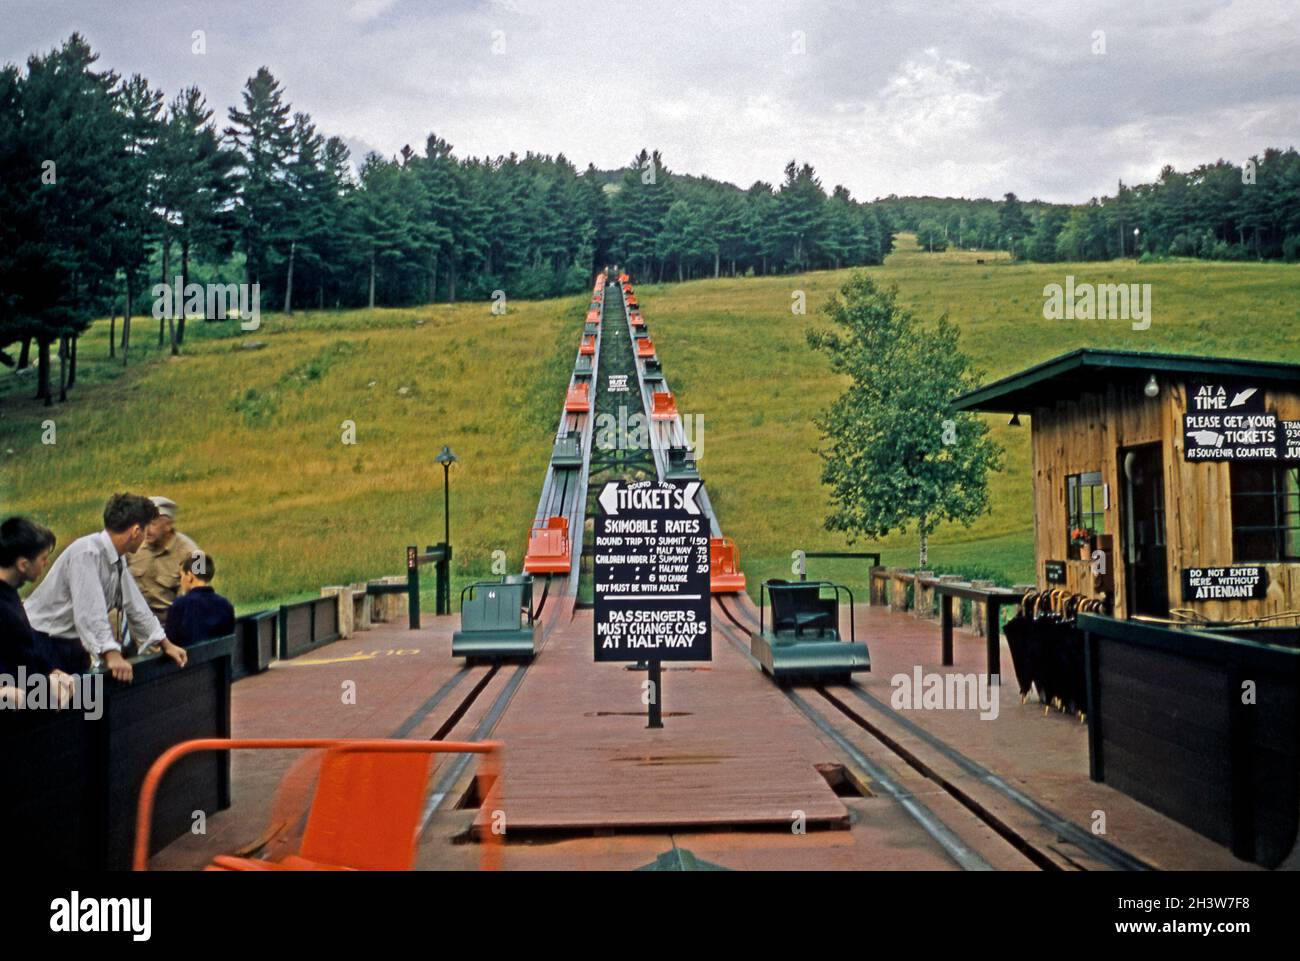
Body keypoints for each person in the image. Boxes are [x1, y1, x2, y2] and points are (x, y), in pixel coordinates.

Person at [24, 493, 188, 683]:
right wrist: (112, 655)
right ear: (135, 531)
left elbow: (135, 605)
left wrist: (165, 643)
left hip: (72, 642)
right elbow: (89, 611)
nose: (146, 536)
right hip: (45, 642)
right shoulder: (87, 553)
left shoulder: (118, 558)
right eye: (145, 529)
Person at [0, 516, 76, 708]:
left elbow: (23, 641)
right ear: (23, 564)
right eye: (43, 558)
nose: (46, 563)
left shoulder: (9, 593)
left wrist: (51, 670)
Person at [127, 496, 199, 622]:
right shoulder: (133, 545)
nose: (147, 530)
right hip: (135, 622)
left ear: (168, 525)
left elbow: (196, 599)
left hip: (170, 623)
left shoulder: (194, 554)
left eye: (153, 524)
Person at [165, 551, 235, 647]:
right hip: (219, 660)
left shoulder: (180, 605)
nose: (180, 581)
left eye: (181, 576)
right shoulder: (225, 605)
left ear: (189, 576)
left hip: (191, 660)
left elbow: (171, 643)